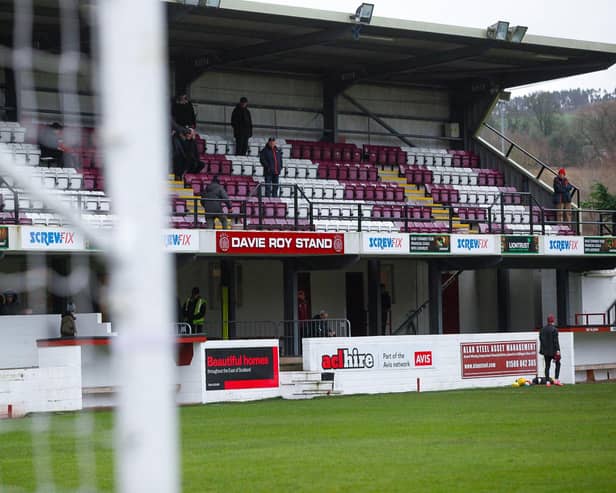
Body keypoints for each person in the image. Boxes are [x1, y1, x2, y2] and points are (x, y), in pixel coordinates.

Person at [539, 314, 562, 386]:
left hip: (546, 351)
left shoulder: (542, 329)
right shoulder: (554, 329)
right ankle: (556, 379)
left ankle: (547, 382)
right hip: (553, 351)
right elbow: (556, 341)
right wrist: (558, 350)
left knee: (547, 366)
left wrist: (543, 349)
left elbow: (541, 340)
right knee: (558, 364)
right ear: (553, 321)